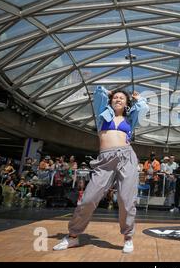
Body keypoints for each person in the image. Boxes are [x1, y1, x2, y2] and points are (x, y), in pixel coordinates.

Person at [53, 86, 149, 253]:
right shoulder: (102, 114)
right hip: (105, 160)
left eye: (122, 98)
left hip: (127, 157)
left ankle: (128, 237)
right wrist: (109, 93)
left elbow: (143, 109)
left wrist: (138, 99)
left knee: (126, 200)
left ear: (127, 104)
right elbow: (99, 94)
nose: (118, 99)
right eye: (115, 97)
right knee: (88, 199)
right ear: (110, 100)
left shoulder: (130, 119)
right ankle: (73, 236)